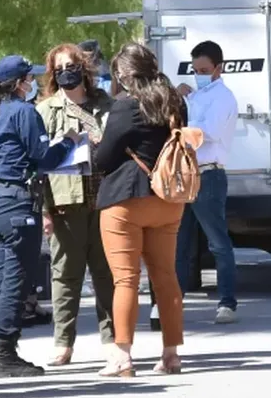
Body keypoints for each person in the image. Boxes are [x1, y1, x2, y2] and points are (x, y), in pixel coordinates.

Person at [0, 55, 81, 378]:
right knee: (16, 278)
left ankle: (0, 347)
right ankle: (4, 353)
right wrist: (69, 142)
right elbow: (44, 158)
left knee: (4, 275)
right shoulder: (24, 112)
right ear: (20, 84)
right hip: (16, 203)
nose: (34, 83)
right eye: (30, 78)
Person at [95, 42, 188, 377]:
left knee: (126, 279)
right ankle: (171, 355)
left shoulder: (125, 106)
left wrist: (96, 145)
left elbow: (103, 159)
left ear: (125, 74)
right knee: (166, 276)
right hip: (168, 199)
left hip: (126, 200)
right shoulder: (175, 101)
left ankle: (122, 356)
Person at [34, 43, 116, 367]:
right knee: (65, 277)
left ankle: (113, 340)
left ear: (84, 67)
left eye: (71, 66)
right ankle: (63, 343)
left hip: (105, 201)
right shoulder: (45, 111)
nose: (66, 73)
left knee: (106, 275)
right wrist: (44, 210)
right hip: (64, 204)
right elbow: (39, 166)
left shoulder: (105, 105)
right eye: (59, 69)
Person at [174, 40, 239, 324]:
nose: (199, 74)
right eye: (195, 70)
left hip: (208, 175)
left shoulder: (223, 97)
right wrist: (179, 99)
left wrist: (178, 129)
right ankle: (172, 302)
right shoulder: (195, 96)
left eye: (204, 70)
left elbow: (207, 132)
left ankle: (227, 303)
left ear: (218, 69)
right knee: (178, 243)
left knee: (217, 243)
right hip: (185, 174)